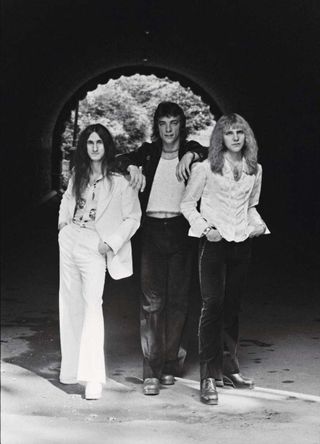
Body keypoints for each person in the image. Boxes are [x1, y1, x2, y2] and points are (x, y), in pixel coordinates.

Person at [119, 102, 208, 395]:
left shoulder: (192, 153)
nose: (168, 129)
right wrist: (131, 164)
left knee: (179, 300)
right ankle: (151, 371)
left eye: (173, 123)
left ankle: (171, 363)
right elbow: (119, 159)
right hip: (153, 231)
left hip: (182, 230)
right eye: (162, 123)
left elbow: (211, 152)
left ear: (181, 125)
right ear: (156, 127)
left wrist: (192, 153)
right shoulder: (148, 152)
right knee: (151, 304)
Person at [181, 113, 270, 405]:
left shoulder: (254, 170)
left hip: (241, 243)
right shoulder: (205, 168)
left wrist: (258, 225)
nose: (235, 137)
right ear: (220, 138)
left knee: (232, 306)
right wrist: (207, 229)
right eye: (229, 133)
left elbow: (252, 207)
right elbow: (187, 204)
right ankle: (208, 376)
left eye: (240, 133)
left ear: (247, 137)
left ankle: (230, 369)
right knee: (213, 305)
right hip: (213, 243)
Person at [58, 123, 141, 400]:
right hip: (71, 240)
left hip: (96, 245)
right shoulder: (77, 176)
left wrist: (111, 243)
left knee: (93, 305)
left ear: (107, 147)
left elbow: (133, 218)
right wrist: (62, 228)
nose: (94, 147)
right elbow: (67, 201)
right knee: (69, 303)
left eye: (99, 142)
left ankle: (93, 378)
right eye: (89, 142)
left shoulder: (119, 182)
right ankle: (71, 371)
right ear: (84, 147)